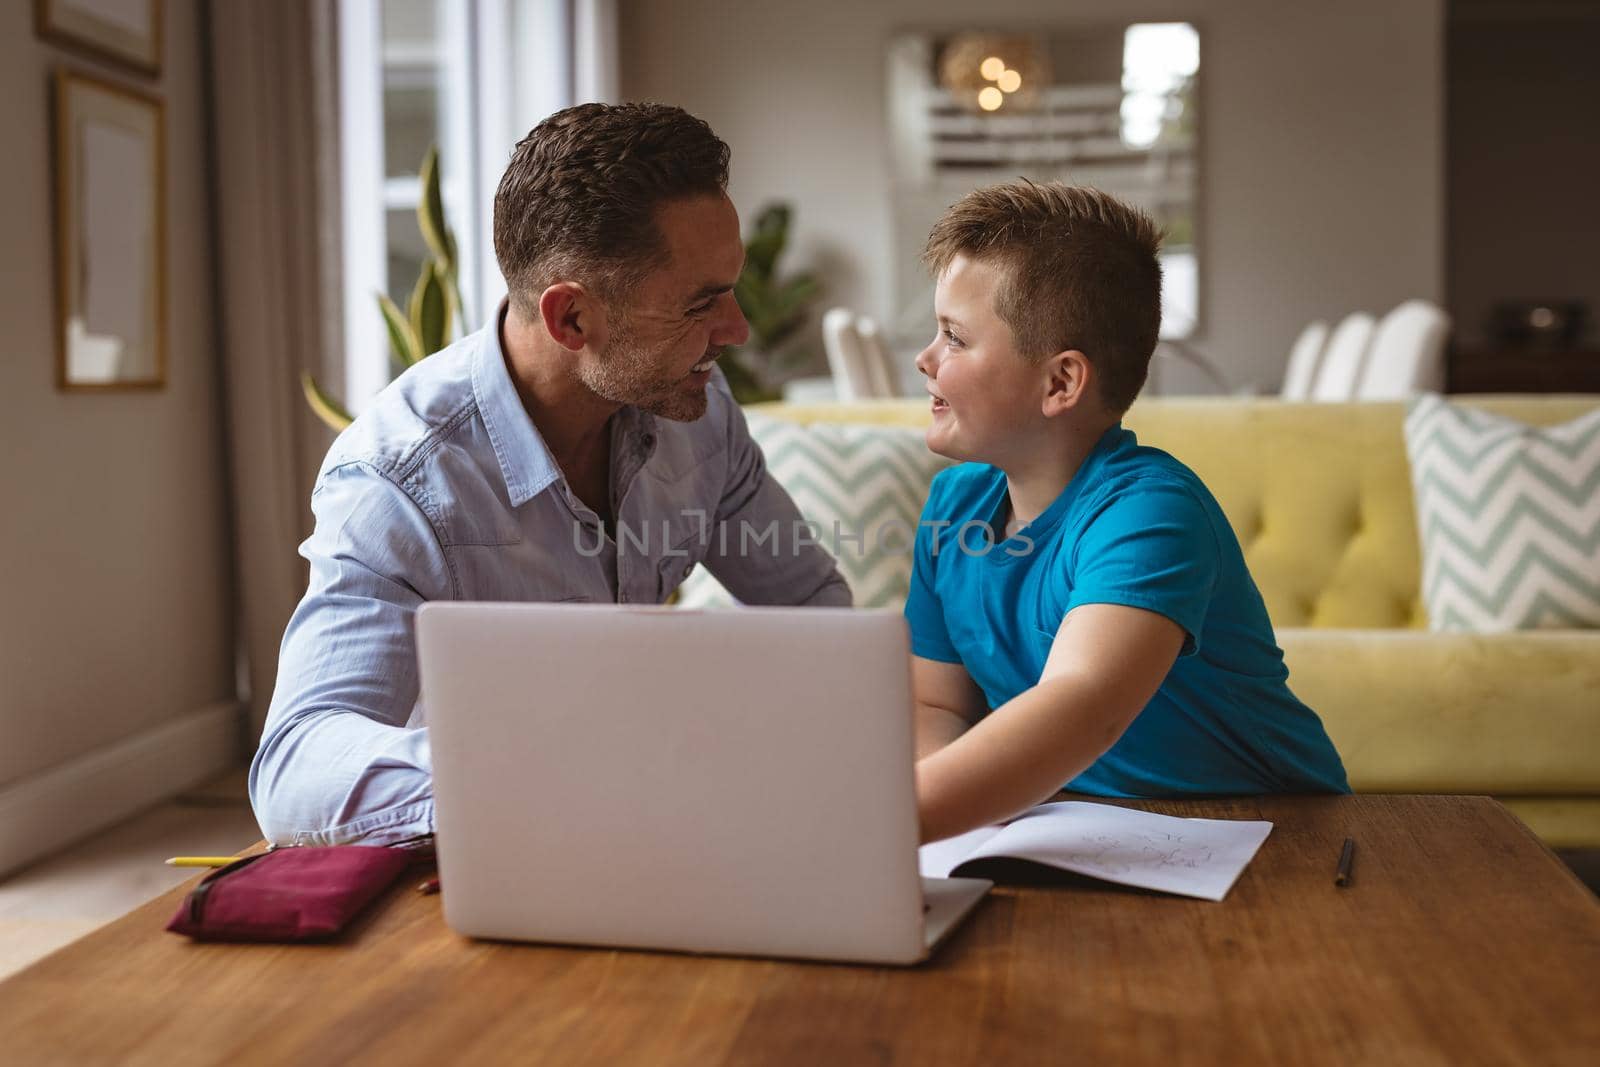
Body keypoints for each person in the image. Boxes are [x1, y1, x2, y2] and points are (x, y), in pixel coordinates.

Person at [251, 103, 849, 846]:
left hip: (658, 830)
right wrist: (543, 774)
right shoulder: (399, 481)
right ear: (571, 321)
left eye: (729, 289)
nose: (737, 330)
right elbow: (296, 768)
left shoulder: (699, 412)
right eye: (702, 303)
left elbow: (814, 609)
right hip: (476, 861)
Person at [906, 181, 1348, 844]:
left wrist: (874, 823)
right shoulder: (953, 506)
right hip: (1086, 834)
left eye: (954, 338)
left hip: (1269, 831)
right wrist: (944, 825)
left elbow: (1079, 705)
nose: (926, 358)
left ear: (1061, 382)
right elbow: (936, 702)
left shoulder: (1151, 512)